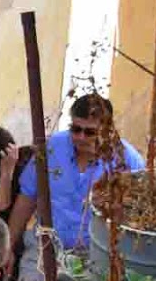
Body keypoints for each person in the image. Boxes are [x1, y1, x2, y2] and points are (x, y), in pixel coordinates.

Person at [8, 93, 145, 254]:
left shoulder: (128, 161)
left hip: (100, 252)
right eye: (76, 129)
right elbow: (27, 197)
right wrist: (9, 247)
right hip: (46, 247)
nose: (81, 137)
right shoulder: (52, 148)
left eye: (90, 132)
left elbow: (139, 214)